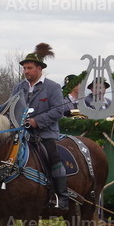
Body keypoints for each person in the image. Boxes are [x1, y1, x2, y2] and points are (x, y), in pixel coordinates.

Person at [12, 42, 71, 209]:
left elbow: (58, 111)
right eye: (24, 68)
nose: (26, 71)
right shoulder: (18, 87)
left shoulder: (53, 87)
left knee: (53, 156)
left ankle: (62, 197)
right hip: (21, 133)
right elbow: (11, 107)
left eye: (29, 68)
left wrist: (36, 121)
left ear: (39, 68)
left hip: (45, 134)